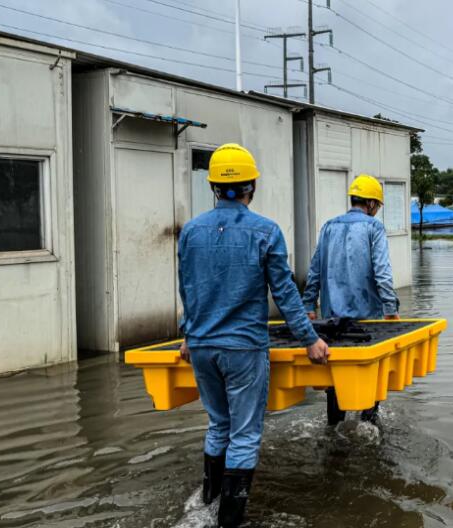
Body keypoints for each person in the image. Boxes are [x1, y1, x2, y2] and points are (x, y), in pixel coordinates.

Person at [177, 143, 329, 528]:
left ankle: (208, 505)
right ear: (251, 186)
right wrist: (309, 339)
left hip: (202, 346)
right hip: (243, 348)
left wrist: (186, 334)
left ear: (213, 186)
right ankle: (230, 521)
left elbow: (188, 287)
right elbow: (285, 292)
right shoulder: (265, 231)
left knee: (218, 425)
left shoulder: (191, 232)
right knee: (245, 434)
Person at [302, 174, 400, 426]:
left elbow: (315, 269)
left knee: (335, 379)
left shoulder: (328, 226)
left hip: (331, 319)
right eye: (377, 206)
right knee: (370, 376)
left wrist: (308, 305)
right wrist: (390, 308)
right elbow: (382, 272)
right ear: (370, 204)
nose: (376, 211)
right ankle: (368, 427)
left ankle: (334, 430)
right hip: (367, 319)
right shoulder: (373, 227)